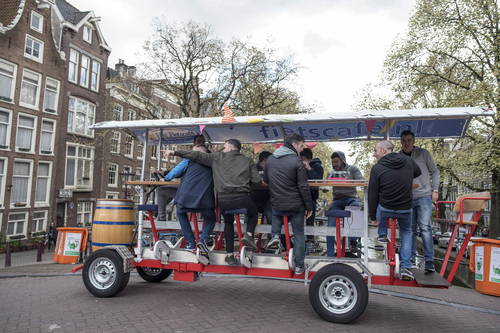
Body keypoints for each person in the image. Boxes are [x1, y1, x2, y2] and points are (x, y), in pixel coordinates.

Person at [164, 139, 262, 265]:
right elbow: (257, 181)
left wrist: (174, 152)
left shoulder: (217, 157)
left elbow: (196, 155)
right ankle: (248, 235)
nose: (224, 149)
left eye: (225, 147)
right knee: (253, 213)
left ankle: (229, 255)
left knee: (228, 222)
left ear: (231, 148)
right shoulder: (247, 160)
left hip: (224, 200)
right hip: (242, 198)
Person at [368, 140, 421, 281]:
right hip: (405, 208)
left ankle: (382, 232)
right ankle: (405, 267)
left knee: (380, 200)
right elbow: (418, 171)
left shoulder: (377, 168)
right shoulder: (408, 161)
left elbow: (372, 194)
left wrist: (372, 217)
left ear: (384, 151)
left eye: (375, 151)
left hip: (386, 209)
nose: (374, 154)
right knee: (407, 233)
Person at [264, 134, 314, 275]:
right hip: (295, 205)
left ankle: (275, 237)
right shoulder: (297, 161)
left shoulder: (270, 160)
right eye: (302, 146)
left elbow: (266, 180)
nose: (302, 149)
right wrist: (309, 207)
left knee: (276, 211)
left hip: (278, 204)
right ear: (296, 144)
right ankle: (299, 266)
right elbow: (303, 187)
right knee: (299, 234)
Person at [163, 144, 216, 255]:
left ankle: (190, 243)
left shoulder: (189, 160)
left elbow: (176, 172)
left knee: (180, 213)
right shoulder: (213, 162)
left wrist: (166, 177)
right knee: (211, 218)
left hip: (185, 198)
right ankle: (203, 240)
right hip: (204, 200)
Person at [400, 130, 440, 273]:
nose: (407, 143)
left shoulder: (423, 154)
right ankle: (409, 261)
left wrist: (435, 190)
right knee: (409, 230)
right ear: (401, 142)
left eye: (409, 140)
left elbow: (435, 171)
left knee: (425, 228)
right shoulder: (398, 157)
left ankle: (429, 261)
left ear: (414, 141)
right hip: (407, 198)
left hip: (424, 196)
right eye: (404, 140)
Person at [156, 135, 206, 221]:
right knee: (175, 191)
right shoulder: (210, 157)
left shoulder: (191, 156)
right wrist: (165, 173)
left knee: (161, 190)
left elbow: (178, 170)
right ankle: (170, 206)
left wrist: (166, 178)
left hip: (190, 193)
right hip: (204, 194)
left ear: (194, 144)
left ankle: (161, 218)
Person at [326, 151, 363, 257]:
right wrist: (327, 183)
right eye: (333, 162)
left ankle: (352, 241)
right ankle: (330, 254)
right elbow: (324, 189)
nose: (334, 164)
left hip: (351, 198)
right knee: (330, 226)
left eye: (336, 162)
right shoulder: (331, 172)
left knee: (356, 208)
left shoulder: (352, 169)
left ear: (342, 161)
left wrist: (347, 181)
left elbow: (361, 181)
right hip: (337, 200)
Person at [299, 148, 324, 248]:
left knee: (310, 217)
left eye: (300, 159)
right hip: (299, 198)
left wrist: (308, 167)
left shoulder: (318, 167)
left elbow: (317, 182)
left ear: (305, 158)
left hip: (311, 198)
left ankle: (310, 241)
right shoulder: (299, 166)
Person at [251, 151, 273, 226]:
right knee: (250, 214)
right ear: (264, 160)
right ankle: (247, 235)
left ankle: (273, 236)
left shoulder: (272, 169)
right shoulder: (253, 168)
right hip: (254, 198)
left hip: (268, 199)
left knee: (271, 214)